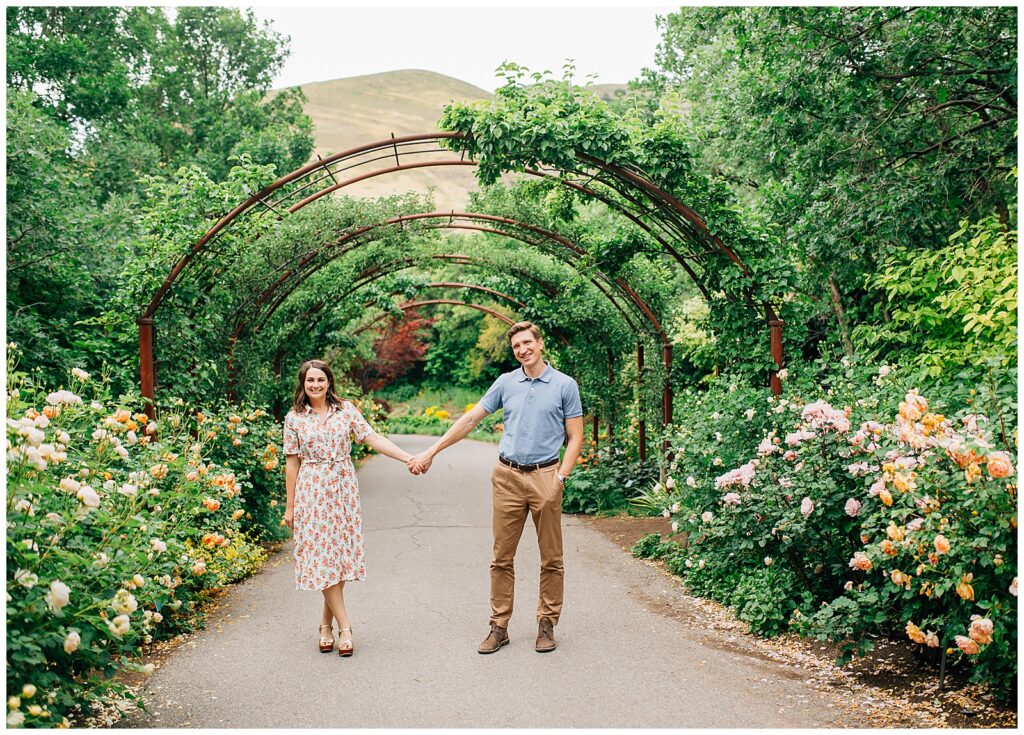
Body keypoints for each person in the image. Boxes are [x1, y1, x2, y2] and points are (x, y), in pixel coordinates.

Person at [408, 321, 583, 653]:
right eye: (517, 346)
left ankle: (546, 624)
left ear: (540, 343)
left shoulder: (564, 385)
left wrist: (561, 478)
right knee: (501, 557)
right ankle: (499, 627)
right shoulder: (506, 383)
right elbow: (471, 419)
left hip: (546, 475)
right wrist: (432, 451)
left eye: (528, 343)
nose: (523, 350)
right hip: (507, 476)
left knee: (551, 558)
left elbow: (576, 437)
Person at [283, 359, 414, 657]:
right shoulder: (294, 418)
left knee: (338, 556)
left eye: (321, 379)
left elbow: (372, 438)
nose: (315, 385)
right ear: (302, 384)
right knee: (321, 555)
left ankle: (324, 626)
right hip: (312, 489)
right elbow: (292, 463)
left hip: (343, 489)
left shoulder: (346, 410)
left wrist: (407, 458)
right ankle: (345, 627)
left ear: (329, 382)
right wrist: (290, 506)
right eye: (310, 380)